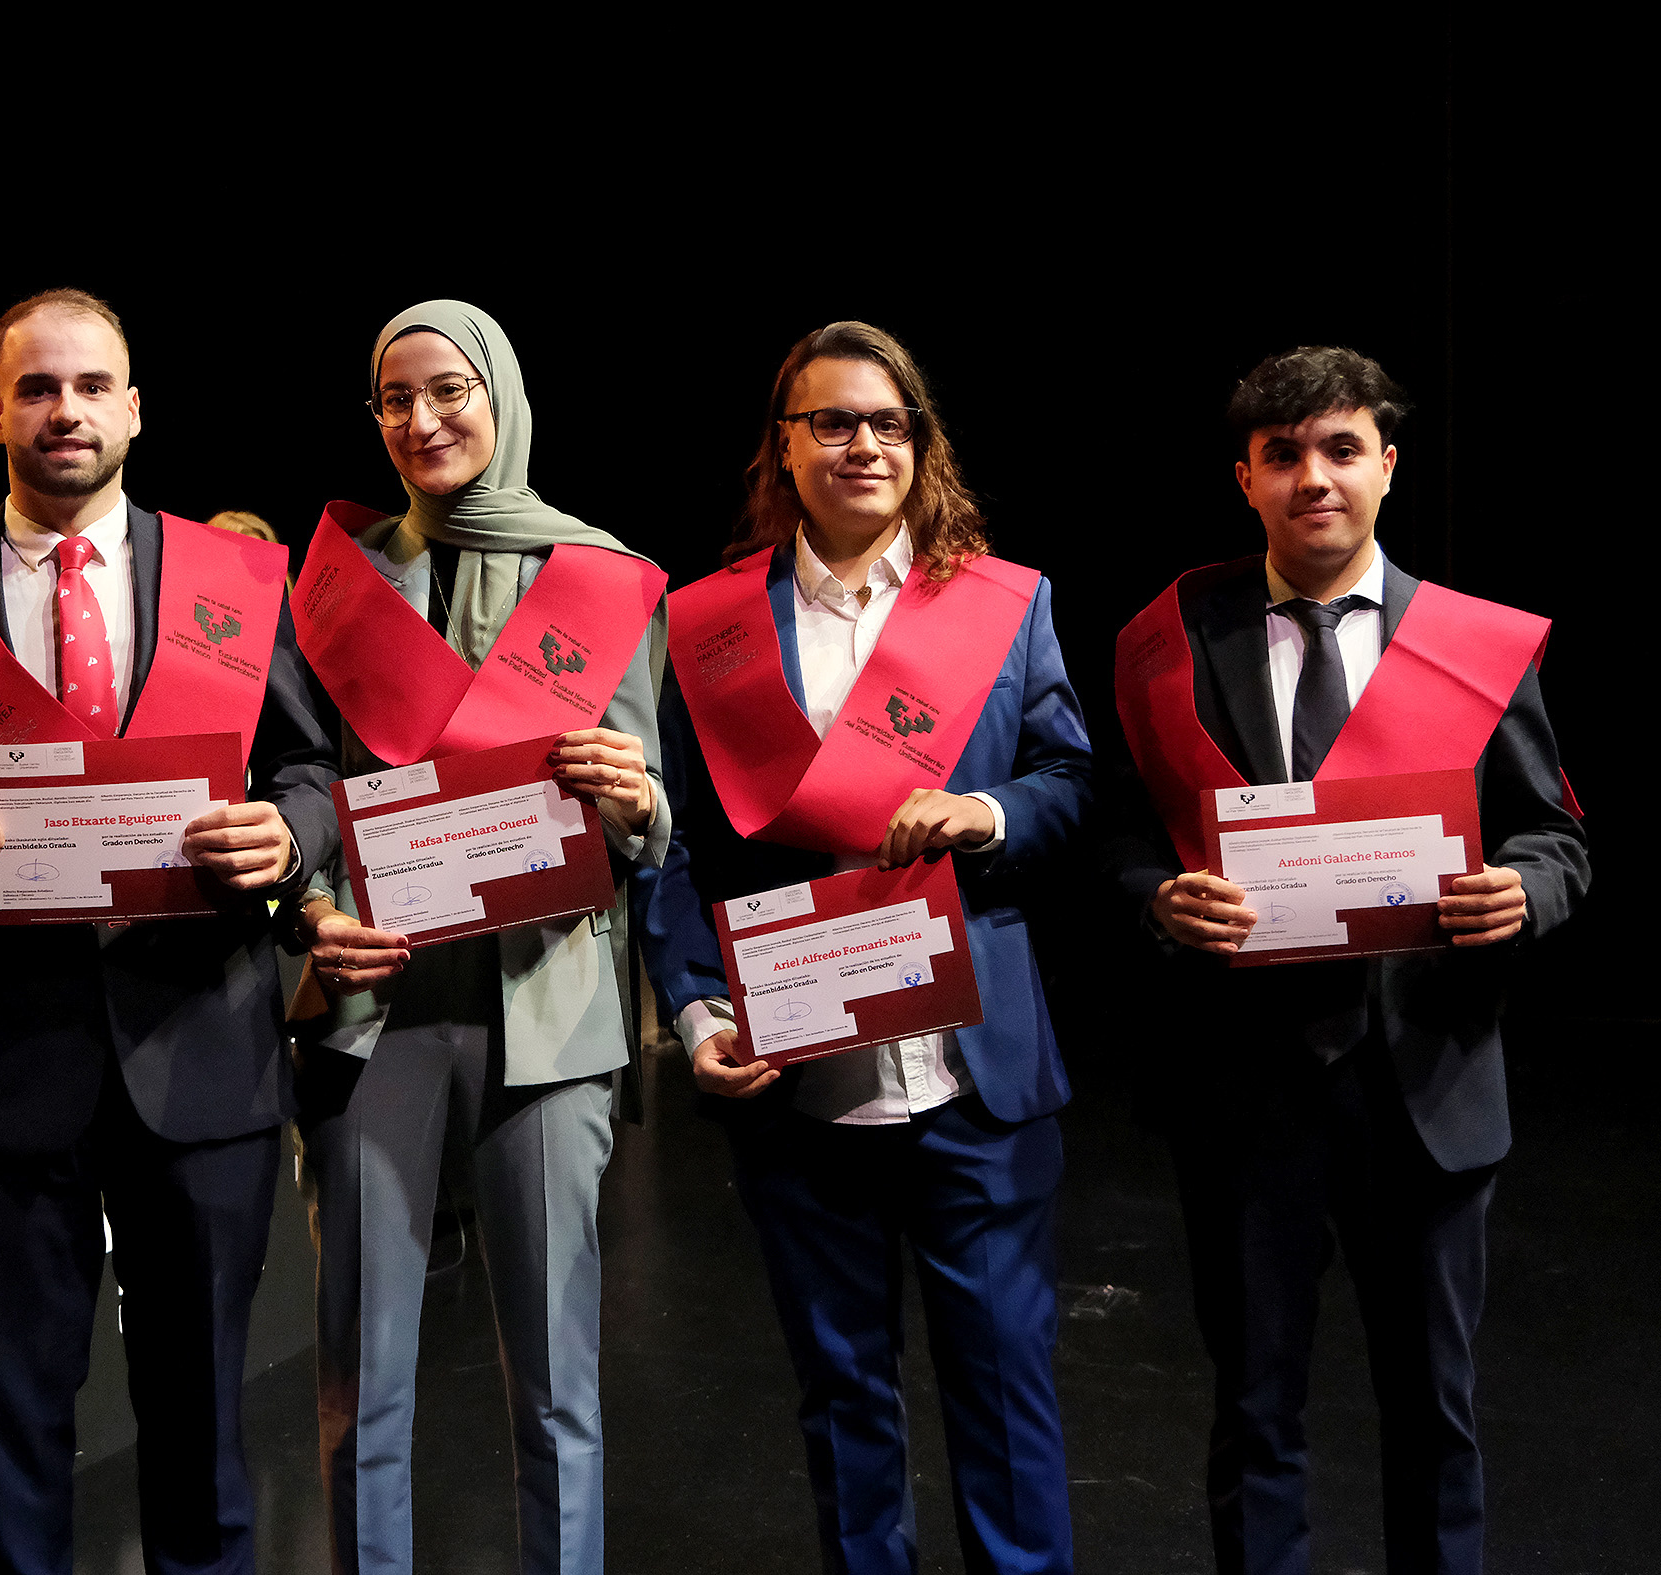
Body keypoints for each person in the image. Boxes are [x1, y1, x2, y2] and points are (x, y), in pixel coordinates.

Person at [0, 288, 337, 1575]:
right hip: (6, 1064)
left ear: (136, 409)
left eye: (92, 386)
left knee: (204, 1423)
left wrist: (289, 839)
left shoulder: (237, 580)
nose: (67, 411)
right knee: (10, 1432)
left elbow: (312, 770)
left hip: (203, 1053)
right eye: (39, 388)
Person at [1101, 346, 1589, 1574]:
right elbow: (1120, 835)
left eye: (1339, 449)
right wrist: (1159, 898)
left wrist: (1523, 892)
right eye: (1282, 456)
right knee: (1254, 1412)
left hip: (1424, 1081)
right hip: (1246, 1088)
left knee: (1434, 1414)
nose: (1311, 477)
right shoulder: (1171, 641)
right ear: (1245, 478)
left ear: (1385, 465)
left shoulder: (1472, 644)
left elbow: (1554, 836)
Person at [645, 321, 1090, 1574]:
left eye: (889, 423)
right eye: (831, 422)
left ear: (920, 444)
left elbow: (1067, 780)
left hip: (973, 1078)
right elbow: (675, 852)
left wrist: (986, 813)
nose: (863, 445)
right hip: (801, 1082)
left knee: (1006, 1404)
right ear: (783, 447)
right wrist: (696, 1014)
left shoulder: (1003, 604)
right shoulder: (707, 625)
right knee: (843, 1406)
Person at [287, 300, 669, 1575]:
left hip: (545, 1003)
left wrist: (636, 801)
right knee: (359, 1382)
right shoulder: (338, 581)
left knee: (558, 1385)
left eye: (448, 390)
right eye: (394, 399)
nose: (421, 420)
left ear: (499, 394)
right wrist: (311, 912)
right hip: (372, 1010)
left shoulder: (597, 574)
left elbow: (647, 804)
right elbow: (302, 784)